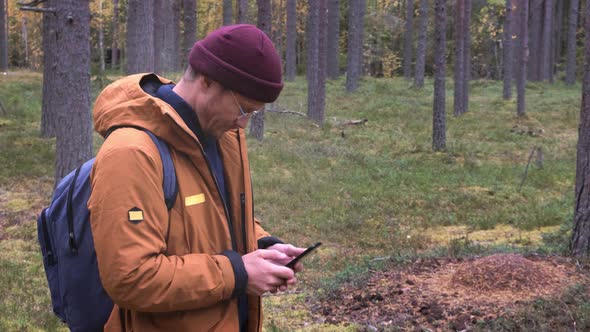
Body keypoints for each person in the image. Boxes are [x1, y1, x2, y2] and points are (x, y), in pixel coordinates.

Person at [88, 24, 306, 332]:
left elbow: (216, 218)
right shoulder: (130, 154)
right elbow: (130, 278)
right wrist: (238, 273)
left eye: (254, 114)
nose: (243, 124)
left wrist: (264, 246)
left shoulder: (223, 136)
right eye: (244, 109)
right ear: (206, 82)